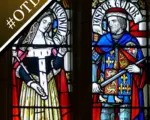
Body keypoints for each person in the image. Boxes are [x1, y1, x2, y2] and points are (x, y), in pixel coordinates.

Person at [12, 10, 70, 120]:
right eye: (44, 22)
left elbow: (56, 67)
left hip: (49, 85)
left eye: (49, 24)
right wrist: (32, 83)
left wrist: (61, 54)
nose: (46, 26)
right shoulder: (25, 42)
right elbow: (18, 67)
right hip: (31, 86)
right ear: (37, 22)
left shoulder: (49, 42)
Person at [92, 8, 146, 120]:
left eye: (113, 21)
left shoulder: (131, 41)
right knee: (105, 116)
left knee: (126, 117)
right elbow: (93, 62)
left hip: (125, 88)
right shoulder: (103, 41)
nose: (110, 24)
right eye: (108, 21)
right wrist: (93, 82)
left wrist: (138, 70)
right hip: (105, 88)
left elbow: (142, 65)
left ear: (121, 23)